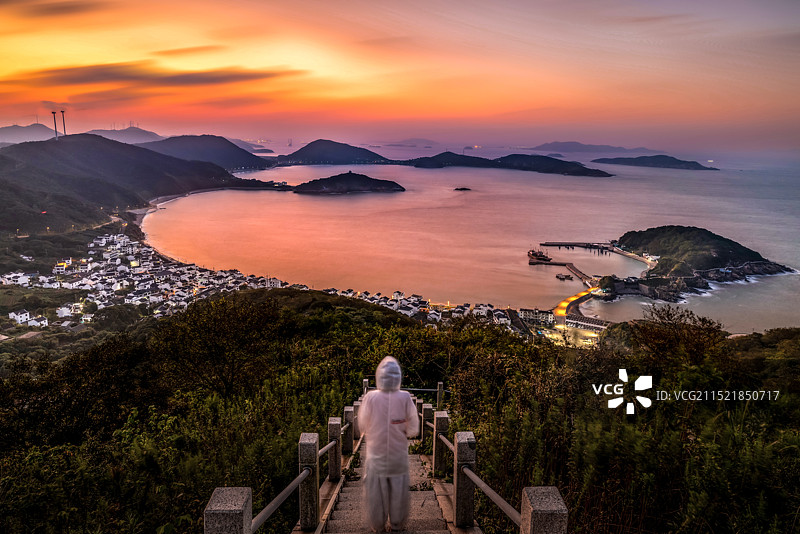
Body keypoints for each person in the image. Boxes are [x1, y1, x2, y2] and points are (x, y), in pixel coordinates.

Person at [359, 356, 420, 532]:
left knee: (375, 496)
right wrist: (403, 429)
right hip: (398, 457)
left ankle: (378, 526)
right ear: (398, 377)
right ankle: (396, 524)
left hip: (376, 457)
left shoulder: (370, 397)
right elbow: (414, 428)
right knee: (398, 494)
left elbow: (362, 424)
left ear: (379, 376)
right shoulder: (405, 397)